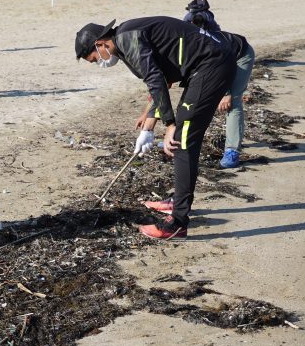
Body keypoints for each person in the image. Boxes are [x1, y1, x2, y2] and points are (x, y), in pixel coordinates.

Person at [76, 17, 235, 239]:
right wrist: (148, 128)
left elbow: (156, 79)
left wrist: (169, 124)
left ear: (100, 43)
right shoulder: (125, 39)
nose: (99, 63)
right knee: (182, 136)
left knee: (182, 140)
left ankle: (177, 223)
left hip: (212, 65)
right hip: (205, 67)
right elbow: (162, 80)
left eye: (94, 59)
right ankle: (178, 202)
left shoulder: (128, 39)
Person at [183, 0, 255, 169]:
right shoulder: (186, 30)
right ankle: (181, 138)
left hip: (241, 56)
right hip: (219, 61)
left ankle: (232, 151)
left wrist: (227, 93)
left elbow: (223, 66)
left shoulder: (211, 41)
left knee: (232, 103)